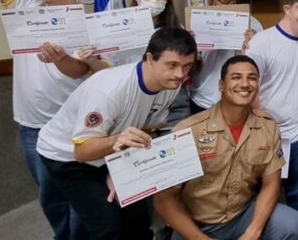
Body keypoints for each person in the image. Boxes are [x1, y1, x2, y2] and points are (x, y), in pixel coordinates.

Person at [36, 28, 197, 240]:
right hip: (66, 155)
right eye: (172, 65)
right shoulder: (111, 89)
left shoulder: (171, 84)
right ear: (150, 58)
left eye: (187, 66)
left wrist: (117, 168)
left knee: (138, 217)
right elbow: (82, 151)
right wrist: (114, 149)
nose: (180, 74)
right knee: (107, 227)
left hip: (110, 149)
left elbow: (145, 127)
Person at [0, 0, 91, 240]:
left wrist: (63, 59)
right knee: (50, 197)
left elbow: (83, 70)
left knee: (79, 196)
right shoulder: (25, 10)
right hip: (32, 128)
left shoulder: (89, 24)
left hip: (73, 127)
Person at [153, 55, 298, 240]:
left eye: (252, 78)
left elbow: (271, 183)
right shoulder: (189, 131)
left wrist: (253, 231)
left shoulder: (267, 126)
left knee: (294, 224)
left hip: (241, 215)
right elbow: (164, 199)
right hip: (196, 225)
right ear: (221, 85)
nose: (245, 84)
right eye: (236, 77)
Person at [246, 0, 298, 221]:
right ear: (287, 9)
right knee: (264, 192)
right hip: (268, 133)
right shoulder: (262, 41)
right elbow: (249, 87)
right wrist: (262, 124)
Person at [188, 0, 263, 113]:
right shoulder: (197, 22)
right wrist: (188, 45)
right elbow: (189, 66)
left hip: (239, 97)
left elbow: (259, 65)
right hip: (202, 98)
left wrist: (256, 43)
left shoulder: (253, 24)